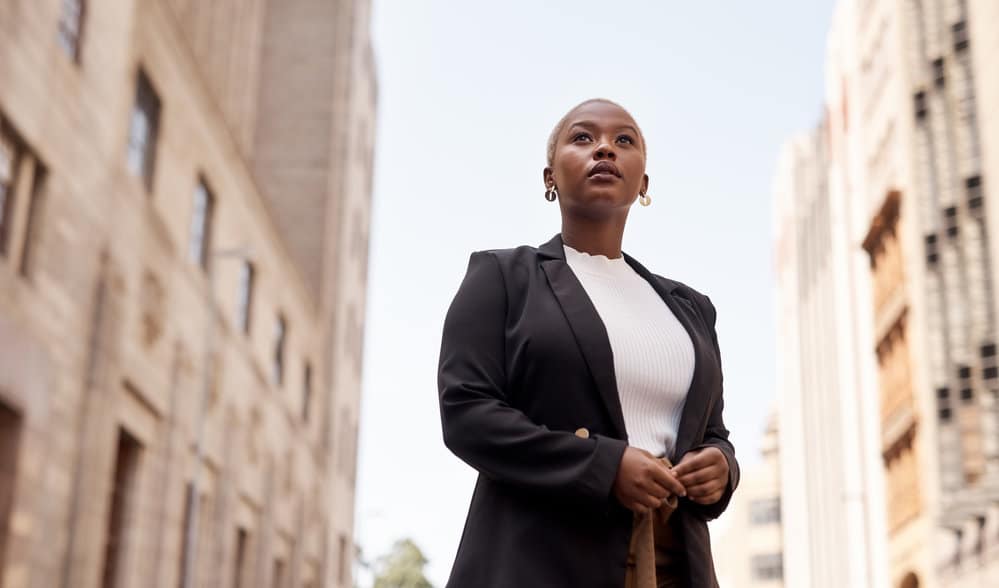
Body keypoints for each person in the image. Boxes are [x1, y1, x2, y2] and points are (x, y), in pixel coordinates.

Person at [437, 98, 738, 588]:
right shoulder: (503, 277)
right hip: (543, 557)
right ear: (549, 178)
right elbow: (466, 413)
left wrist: (723, 468)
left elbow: (712, 432)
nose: (604, 148)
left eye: (624, 140)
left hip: (675, 560)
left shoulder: (691, 308)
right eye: (582, 138)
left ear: (643, 183)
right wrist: (604, 465)